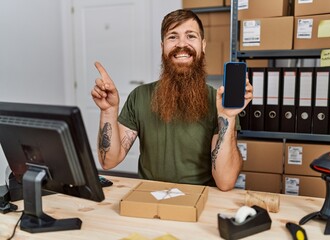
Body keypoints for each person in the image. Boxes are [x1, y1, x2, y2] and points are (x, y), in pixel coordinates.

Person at [91, 9, 253, 191]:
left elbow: (225, 181)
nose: (181, 44)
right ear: (162, 47)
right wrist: (108, 111)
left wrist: (228, 117)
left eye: (191, 36)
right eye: (172, 37)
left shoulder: (220, 103)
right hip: (148, 195)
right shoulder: (140, 96)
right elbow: (109, 161)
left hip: (199, 198)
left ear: (203, 45)